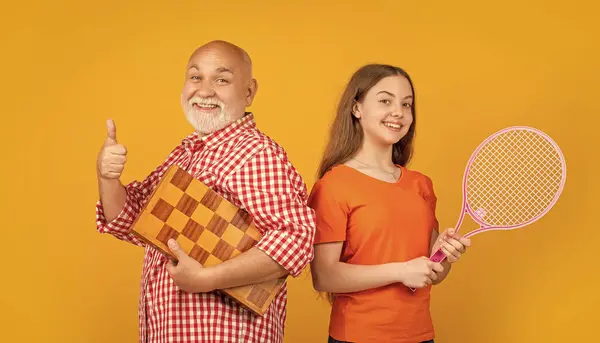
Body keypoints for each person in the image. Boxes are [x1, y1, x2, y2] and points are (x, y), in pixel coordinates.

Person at [95, 40, 316, 343]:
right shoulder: (185, 155)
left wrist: (207, 278)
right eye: (196, 77)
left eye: (222, 79)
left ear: (249, 92)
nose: (205, 89)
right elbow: (132, 220)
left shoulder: (255, 153)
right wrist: (107, 176)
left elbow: (295, 239)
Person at [307, 64, 472, 343]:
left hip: (420, 335)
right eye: (385, 100)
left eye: (406, 104)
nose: (398, 112)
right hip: (358, 337)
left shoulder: (421, 184)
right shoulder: (333, 186)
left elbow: (433, 273)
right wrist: (401, 271)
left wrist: (444, 254)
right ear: (356, 108)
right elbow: (324, 276)